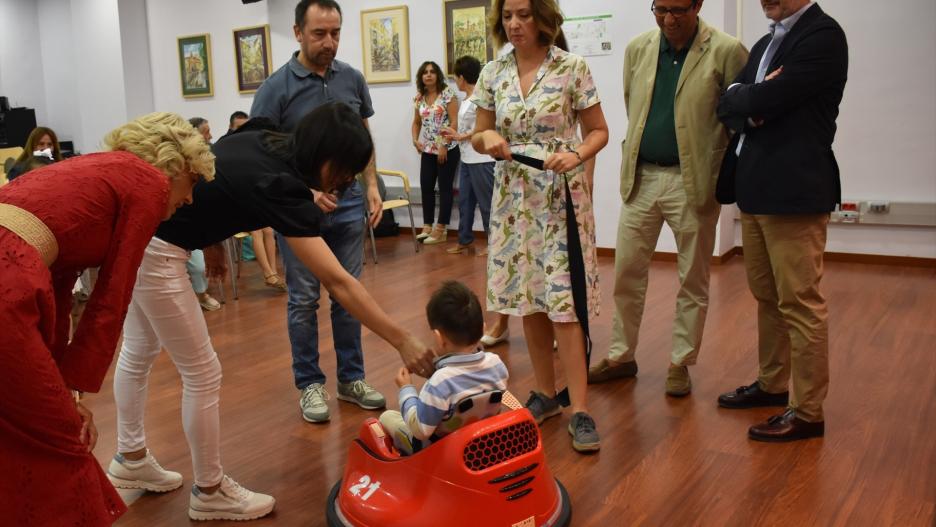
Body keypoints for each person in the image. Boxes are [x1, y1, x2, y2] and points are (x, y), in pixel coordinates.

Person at [108, 103, 434, 521]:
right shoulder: (283, 188)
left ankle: (131, 457)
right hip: (159, 251)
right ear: (328, 158)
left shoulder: (262, 135)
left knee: (138, 350)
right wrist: (401, 338)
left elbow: (212, 176)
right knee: (202, 372)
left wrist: (209, 244)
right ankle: (209, 490)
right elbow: (338, 283)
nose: (347, 181)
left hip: (141, 234)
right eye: (347, 171)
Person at [0, 112, 213, 526]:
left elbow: (58, 287)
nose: (189, 199)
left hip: (15, 277)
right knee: (61, 438)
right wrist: (73, 393)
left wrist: (66, 385)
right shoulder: (148, 183)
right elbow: (113, 292)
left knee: (15, 427)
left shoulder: (94, 169)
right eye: (192, 183)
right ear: (177, 166)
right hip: (8, 280)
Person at [587, 0, 748, 397]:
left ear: (698, 5)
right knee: (626, 271)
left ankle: (680, 362)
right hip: (641, 176)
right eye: (660, 9)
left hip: (693, 181)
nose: (668, 19)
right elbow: (633, 105)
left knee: (692, 277)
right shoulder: (639, 48)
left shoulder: (727, 50)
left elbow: (739, 116)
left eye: (678, 9)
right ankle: (622, 356)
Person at [471, 0, 609, 453]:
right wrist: (486, 137)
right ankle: (547, 395)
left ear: (543, 18)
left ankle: (581, 408)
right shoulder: (493, 73)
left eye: (524, 15)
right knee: (528, 296)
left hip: (558, 197)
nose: (515, 24)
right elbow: (480, 133)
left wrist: (577, 154)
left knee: (564, 303)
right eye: (508, 16)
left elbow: (598, 131)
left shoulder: (572, 67)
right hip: (514, 201)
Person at [714, 0, 848, 442]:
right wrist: (748, 100)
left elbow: (766, 97)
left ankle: (808, 412)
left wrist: (751, 99)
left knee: (800, 304)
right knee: (767, 297)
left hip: (795, 193)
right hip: (754, 190)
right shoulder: (765, 44)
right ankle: (773, 386)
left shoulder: (822, 36)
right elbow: (729, 103)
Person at [250, 0, 387, 425]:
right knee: (304, 300)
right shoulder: (276, 89)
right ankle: (309, 383)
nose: (329, 43)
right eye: (318, 34)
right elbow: (262, 152)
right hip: (298, 214)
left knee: (348, 295)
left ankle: (351, 379)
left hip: (347, 207)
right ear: (297, 33)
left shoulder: (353, 79)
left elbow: (362, 138)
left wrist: (370, 186)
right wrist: (306, 192)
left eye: (335, 33)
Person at [380, 281, 508, 455]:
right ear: (483, 329)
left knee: (387, 418)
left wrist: (406, 389)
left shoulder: (440, 383)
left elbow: (421, 430)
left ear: (439, 337)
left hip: (441, 453)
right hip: (481, 445)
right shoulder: (497, 364)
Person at [441, 55, 496, 256]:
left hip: (482, 159)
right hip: (466, 158)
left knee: (487, 203)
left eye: (456, 77)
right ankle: (465, 240)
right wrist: (453, 133)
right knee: (465, 201)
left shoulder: (481, 99)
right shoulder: (465, 100)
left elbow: (485, 127)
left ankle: (494, 243)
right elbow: (465, 127)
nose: (456, 80)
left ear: (462, 77)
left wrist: (460, 135)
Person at [412, 60, 460, 245]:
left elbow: (454, 122)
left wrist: (443, 144)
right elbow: (416, 123)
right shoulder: (419, 98)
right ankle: (427, 226)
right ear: (421, 77)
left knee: (445, 188)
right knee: (426, 187)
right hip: (428, 150)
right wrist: (415, 140)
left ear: (437, 75)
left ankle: (441, 229)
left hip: (447, 149)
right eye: (425, 72)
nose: (429, 75)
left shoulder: (448, 94)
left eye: (432, 71)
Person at [186, 117, 223, 310]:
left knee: (199, 266)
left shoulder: (213, 157)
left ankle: (201, 295)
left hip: (200, 222)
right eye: (206, 132)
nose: (211, 136)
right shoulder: (183, 161)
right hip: (180, 222)